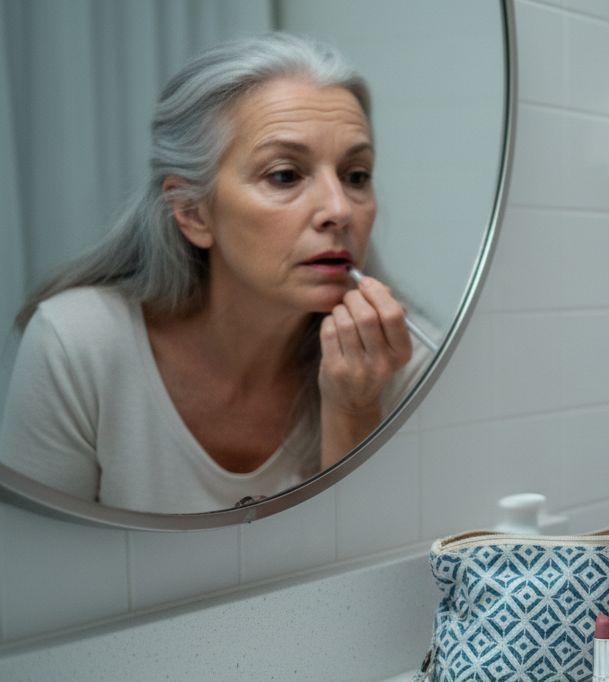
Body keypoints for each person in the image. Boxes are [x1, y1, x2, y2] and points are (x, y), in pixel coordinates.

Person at [0, 33, 423, 512]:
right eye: (285, 174)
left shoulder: (397, 362)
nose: (338, 209)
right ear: (192, 212)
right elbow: (41, 571)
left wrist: (353, 408)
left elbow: (372, 573)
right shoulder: (79, 346)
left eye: (356, 176)